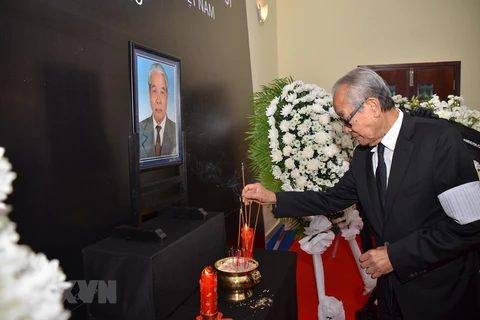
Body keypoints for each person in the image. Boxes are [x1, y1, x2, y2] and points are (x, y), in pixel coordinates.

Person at [242, 67, 480, 320]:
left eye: (346, 119)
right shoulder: (364, 155)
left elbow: (471, 226)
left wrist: (396, 256)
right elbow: (332, 198)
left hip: (438, 293)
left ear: (373, 106)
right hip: (390, 289)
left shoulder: (439, 139)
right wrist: (274, 197)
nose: (345, 129)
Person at [139, 63, 177, 158]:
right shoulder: (138, 130)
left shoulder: (177, 131)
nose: (158, 100)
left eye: (162, 92)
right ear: (149, 93)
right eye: (154, 91)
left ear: (167, 96)